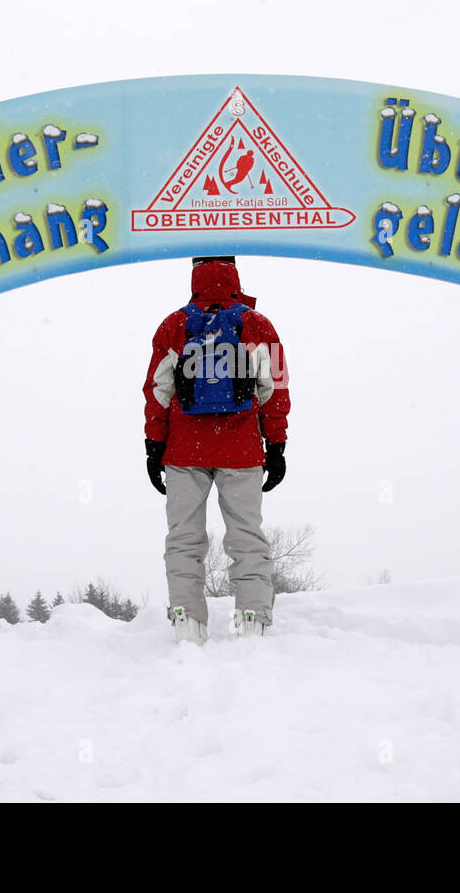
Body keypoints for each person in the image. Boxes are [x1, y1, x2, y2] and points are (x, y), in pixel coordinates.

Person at [143, 257, 290, 644]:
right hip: (240, 449)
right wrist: (276, 444)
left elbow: (157, 393)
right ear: (234, 273)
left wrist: (153, 445)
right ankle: (253, 620)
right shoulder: (258, 325)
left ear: (195, 274)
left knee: (183, 538)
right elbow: (275, 390)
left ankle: (187, 623)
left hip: (184, 451)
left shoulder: (173, 325)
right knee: (246, 535)